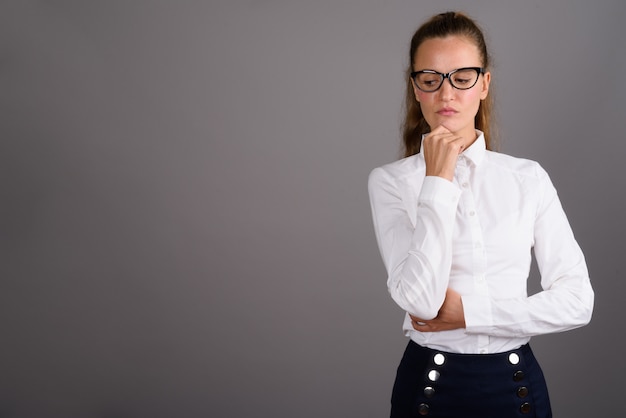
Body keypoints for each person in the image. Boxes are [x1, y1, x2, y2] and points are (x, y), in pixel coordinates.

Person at [367, 11, 594, 418]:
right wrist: (437, 178)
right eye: (431, 78)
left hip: (516, 387)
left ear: (484, 84)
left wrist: (469, 314)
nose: (446, 93)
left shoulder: (527, 178)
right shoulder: (390, 182)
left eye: (462, 76)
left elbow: (577, 301)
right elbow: (420, 303)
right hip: (429, 388)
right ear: (416, 88)